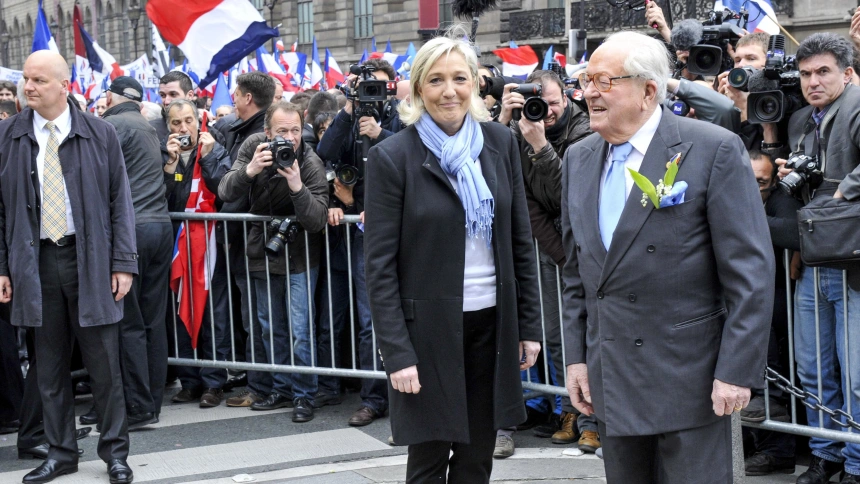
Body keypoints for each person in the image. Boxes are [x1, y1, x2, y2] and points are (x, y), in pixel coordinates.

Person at [561, 31, 773, 483]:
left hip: (689, 380)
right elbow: (577, 271)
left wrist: (736, 372)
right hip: (612, 378)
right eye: (585, 79)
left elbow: (749, 273)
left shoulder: (712, 148)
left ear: (649, 91)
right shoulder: (578, 158)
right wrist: (577, 359)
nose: (588, 93)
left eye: (603, 80)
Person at [364, 33, 542, 483]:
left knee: (477, 456)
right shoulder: (392, 157)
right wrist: (397, 352)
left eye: (460, 78)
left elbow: (520, 241)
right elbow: (380, 268)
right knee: (428, 459)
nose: (450, 91)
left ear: (476, 86)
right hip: (426, 334)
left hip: (492, 325)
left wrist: (529, 328)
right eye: (437, 80)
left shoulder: (500, 143)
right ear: (419, 88)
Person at [0, 50, 137, 484]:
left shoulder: (100, 133)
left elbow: (121, 203)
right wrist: (2, 268)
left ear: (65, 85)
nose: (28, 87)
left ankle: (115, 453)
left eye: (38, 80)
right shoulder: (8, 135)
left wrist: (123, 262)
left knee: (104, 364)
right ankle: (61, 453)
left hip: (90, 259)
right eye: (26, 79)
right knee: (50, 363)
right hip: (35, 261)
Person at [776, 33, 860, 484]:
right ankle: (825, 455)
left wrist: (846, 187)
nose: (813, 81)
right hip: (814, 259)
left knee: (857, 374)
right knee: (812, 368)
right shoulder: (799, 120)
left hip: (853, 262)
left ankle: (857, 463)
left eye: (823, 71)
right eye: (806, 73)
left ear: (847, 73)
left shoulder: (858, 105)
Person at [501, 68, 598, 454]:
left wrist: (540, 147)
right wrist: (505, 121)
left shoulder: (586, 130)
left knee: (591, 334)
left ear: (567, 98)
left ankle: (594, 419)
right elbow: (524, 200)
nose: (547, 111)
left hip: (587, 246)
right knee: (557, 336)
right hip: (551, 248)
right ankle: (568, 410)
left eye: (554, 102)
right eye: (539, 103)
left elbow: (569, 196)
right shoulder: (517, 131)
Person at [218, 101, 329, 422]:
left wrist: (296, 185)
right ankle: (280, 388)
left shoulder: (309, 160)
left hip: (300, 255)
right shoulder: (253, 146)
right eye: (282, 131)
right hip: (262, 252)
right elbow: (225, 189)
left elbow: (317, 217)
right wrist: (250, 170)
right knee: (270, 328)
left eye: (295, 130)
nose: (289, 139)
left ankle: (304, 395)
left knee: (300, 331)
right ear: (267, 132)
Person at [92, 77, 172, 430]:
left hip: (133, 231)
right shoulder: (149, 125)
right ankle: (150, 401)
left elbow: (96, 181)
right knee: (153, 320)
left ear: (110, 97)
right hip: (159, 226)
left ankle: (139, 407)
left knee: (130, 323)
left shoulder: (109, 125)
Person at [161, 99, 233, 408]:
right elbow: (162, 199)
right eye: (176, 123)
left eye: (188, 120)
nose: (183, 128)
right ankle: (189, 381)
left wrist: (209, 157)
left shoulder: (214, 148)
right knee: (181, 312)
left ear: (198, 120)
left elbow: (225, 189)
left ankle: (214, 382)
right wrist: (170, 166)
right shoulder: (167, 155)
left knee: (212, 315)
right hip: (178, 248)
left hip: (209, 247)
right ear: (169, 127)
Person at [742, 151, 800, 477]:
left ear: (774, 181)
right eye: (747, 181)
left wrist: (743, 215)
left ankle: (778, 451)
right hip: (742, 302)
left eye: (761, 184)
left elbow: (794, 231)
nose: (753, 189)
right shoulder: (725, 192)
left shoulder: (779, 198)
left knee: (772, 380)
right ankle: (757, 444)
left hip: (773, 305)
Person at [152, 71, 196, 140]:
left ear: (190, 95)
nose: (166, 101)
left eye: (173, 94)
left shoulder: (205, 127)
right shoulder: (151, 130)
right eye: (162, 95)